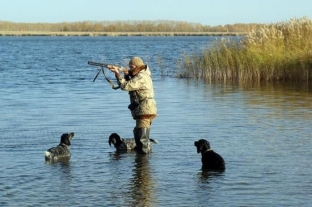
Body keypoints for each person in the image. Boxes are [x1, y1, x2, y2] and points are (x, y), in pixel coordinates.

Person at [108, 57, 157, 154]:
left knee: (141, 138)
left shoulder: (141, 76)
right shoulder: (142, 75)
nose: (130, 69)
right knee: (140, 135)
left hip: (145, 110)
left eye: (132, 67)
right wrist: (126, 74)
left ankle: (142, 164)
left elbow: (126, 86)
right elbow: (131, 84)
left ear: (138, 66)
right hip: (145, 108)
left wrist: (117, 74)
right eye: (129, 67)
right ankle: (142, 161)